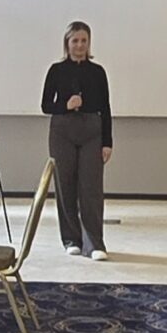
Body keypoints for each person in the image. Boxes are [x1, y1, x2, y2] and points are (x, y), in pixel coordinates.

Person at [39, 21, 113, 260]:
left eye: (84, 41)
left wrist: (107, 142)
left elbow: (106, 108)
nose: (79, 45)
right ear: (67, 43)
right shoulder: (56, 70)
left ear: (89, 43)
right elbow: (45, 105)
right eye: (75, 41)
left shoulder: (98, 72)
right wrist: (65, 105)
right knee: (65, 185)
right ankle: (71, 239)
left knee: (91, 188)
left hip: (92, 131)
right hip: (63, 131)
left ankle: (95, 243)